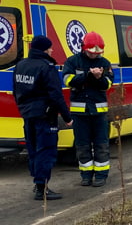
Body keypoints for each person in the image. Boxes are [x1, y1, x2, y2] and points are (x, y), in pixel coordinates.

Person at [13, 36, 73, 201]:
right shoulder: (46, 67)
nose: (52, 50)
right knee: (46, 151)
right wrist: (67, 117)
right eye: (50, 48)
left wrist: (23, 110)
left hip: (28, 115)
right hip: (45, 116)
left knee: (33, 150)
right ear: (44, 49)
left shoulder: (21, 65)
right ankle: (42, 188)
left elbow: (15, 91)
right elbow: (56, 95)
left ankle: (37, 183)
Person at [62, 32, 114, 187]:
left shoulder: (104, 63)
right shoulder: (72, 62)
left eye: (97, 53)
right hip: (80, 114)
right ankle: (85, 175)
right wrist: (87, 75)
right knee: (82, 145)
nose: (94, 56)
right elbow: (68, 81)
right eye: (91, 53)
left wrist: (99, 78)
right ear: (84, 48)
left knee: (101, 144)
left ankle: (101, 175)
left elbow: (108, 84)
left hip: (99, 113)